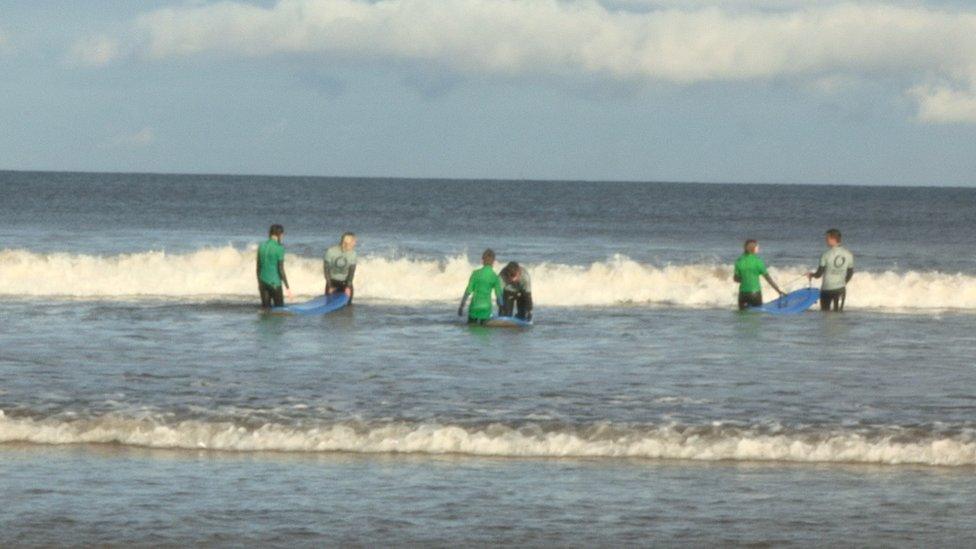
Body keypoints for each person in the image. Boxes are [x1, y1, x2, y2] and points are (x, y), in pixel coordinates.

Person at [806, 228, 854, 311]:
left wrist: (811, 275)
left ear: (833, 239)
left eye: (827, 238)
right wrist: (843, 283)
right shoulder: (849, 255)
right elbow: (850, 273)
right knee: (839, 316)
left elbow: (819, 274)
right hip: (840, 290)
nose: (826, 240)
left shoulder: (825, 255)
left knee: (825, 316)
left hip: (826, 290)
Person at [733, 239, 785, 310]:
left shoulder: (739, 261)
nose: (758, 248)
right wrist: (778, 291)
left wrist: (745, 279)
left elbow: (736, 279)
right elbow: (768, 279)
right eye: (757, 247)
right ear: (753, 249)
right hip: (755, 294)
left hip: (743, 294)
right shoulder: (758, 261)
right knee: (756, 316)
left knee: (742, 317)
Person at [458, 249, 503, 324]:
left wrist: (461, 306)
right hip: (486, 309)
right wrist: (502, 310)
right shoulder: (494, 276)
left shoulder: (475, 273)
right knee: (484, 333)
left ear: (482, 261)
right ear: (493, 262)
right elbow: (499, 296)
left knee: (472, 332)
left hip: (474, 308)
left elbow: (468, 291)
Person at [257, 224, 291, 309]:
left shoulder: (261, 246)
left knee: (265, 311)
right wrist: (287, 287)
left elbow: (258, 268)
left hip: (263, 282)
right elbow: (281, 269)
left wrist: (259, 282)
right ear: (279, 234)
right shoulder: (279, 248)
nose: (282, 237)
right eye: (282, 234)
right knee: (279, 311)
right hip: (275, 283)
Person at [324, 232, 357, 303]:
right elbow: (326, 270)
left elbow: (351, 272)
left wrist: (348, 287)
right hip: (332, 282)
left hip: (346, 283)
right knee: (329, 306)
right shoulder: (331, 251)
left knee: (348, 307)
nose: (355, 243)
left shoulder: (353, 254)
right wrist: (330, 286)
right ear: (348, 242)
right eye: (354, 241)